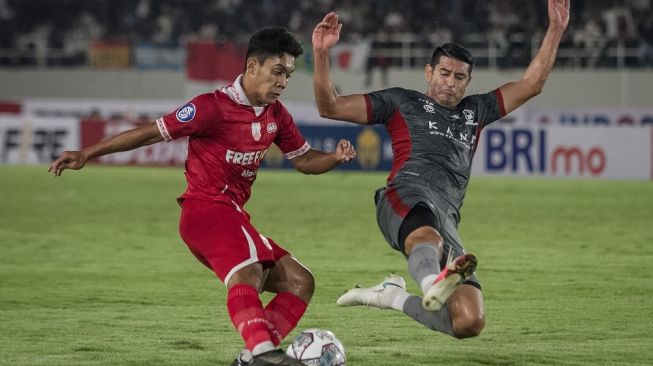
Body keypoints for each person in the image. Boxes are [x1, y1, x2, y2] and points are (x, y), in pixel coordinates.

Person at [49, 27, 356, 366]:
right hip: (204, 210)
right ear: (253, 66)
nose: (283, 81)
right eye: (277, 71)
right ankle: (264, 352)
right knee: (250, 271)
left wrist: (334, 158)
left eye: (288, 75)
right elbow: (150, 133)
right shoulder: (211, 107)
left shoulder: (276, 115)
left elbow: (304, 160)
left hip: (233, 213)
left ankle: (249, 357)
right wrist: (86, 154)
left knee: (300, 281)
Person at [312, 0, 569, 339]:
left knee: (468, 322)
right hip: (405, 195)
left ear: (468, 81)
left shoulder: (477, 110)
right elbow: (329, 107)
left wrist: (556, 29)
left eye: (459, 77)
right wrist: (321, 54)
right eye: (444, 73)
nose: (450, 83)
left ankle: (392, 296)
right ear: (428, 72)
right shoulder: (400, 101)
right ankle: (434, 282)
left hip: (446, 216)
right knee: (427, 237)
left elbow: (532, 84)